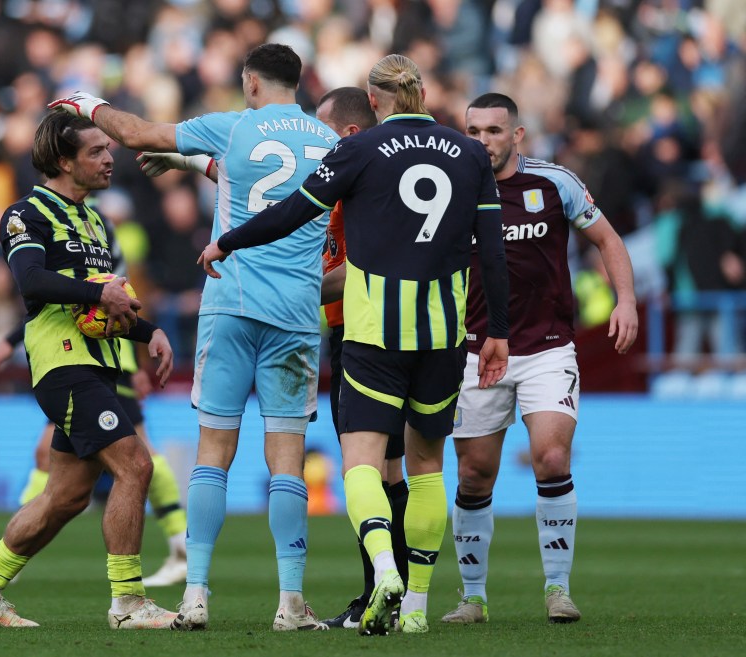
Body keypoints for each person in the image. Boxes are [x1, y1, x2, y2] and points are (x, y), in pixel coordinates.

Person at [197, 54, 511, 635]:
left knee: (362, 462)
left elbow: (292, 211)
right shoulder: (469, 154)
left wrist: (229, 242)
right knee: (423, 469)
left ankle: (384, 569)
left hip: (373, 332)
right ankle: (415, 606)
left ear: (373, 100)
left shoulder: (359, 150)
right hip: (443, 333)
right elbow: (491, 252)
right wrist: (498, 332)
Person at [49, 43, 338, 631]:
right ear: (298, 83)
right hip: (297, 314)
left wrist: (87, 101)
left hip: (229, 305)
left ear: (251, 83)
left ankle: (196, 595)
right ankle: (289, 602)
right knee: (285, 459)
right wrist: (190, 166)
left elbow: (135, 134)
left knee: (213, 453)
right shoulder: (332, 144)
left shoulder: (231, 127)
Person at [0, 109, 178, 630]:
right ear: (62, 160)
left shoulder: (96, 220)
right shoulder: (26, 214)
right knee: (136, 466)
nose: (110, 157)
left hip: (98, 364)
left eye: (109, 149)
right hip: (62, 364)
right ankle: (128, 602)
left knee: (66, 496)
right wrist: (98, 290)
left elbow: (107, 305)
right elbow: (31, 280)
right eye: (96, 150)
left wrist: (150, 333)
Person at [440, 93, 638, 626]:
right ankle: (473, 597)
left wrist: (626, 300)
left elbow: (608, 238)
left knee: (552, 459)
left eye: (493, 131)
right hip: (477, 351)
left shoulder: (554, 183)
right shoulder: (451, 190)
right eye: (473, 131)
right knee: (475, 474)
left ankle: (557, 589)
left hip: (548, 347)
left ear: (517, 135)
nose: (481, 141)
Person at [0, 218, 188, 589]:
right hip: (77, 360)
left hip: (109, 358)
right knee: (79, 471)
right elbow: (51, 295)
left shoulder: (96, 228)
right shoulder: (54, 220)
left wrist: (140, 352)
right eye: (95, 154)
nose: (106, 162)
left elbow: (119, 299)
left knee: (126, 465)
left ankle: (176, 547)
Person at [304, 87, 410, 629]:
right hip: (386, 332)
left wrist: (297, 289)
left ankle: (381, 593)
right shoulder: (369, 177)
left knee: (365, 469)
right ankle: (398, 597)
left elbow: (359, 267)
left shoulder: (356, 182)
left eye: (320, 130)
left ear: (346, 132)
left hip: (362, 338)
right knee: (392, 468)